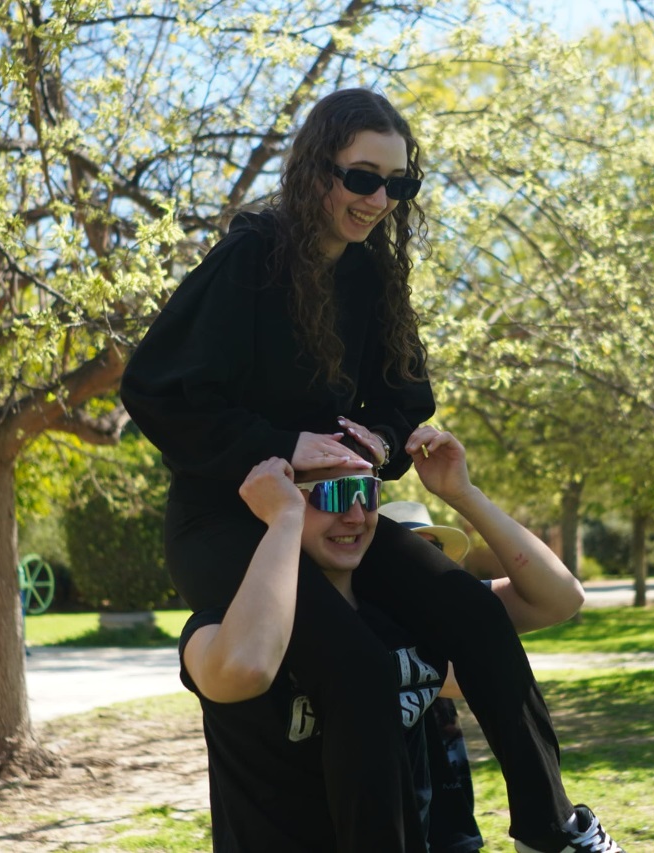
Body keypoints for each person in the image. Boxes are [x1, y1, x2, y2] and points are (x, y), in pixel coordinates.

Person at [122, 87, 620, 852]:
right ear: (315, 170)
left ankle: (552, 830)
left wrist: (382, 441)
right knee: (356, 664)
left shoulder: (372, 277)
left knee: (475, 614)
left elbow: (404, 399)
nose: (379, 200)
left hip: (334, 509)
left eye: (399, 184)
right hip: (226, 521)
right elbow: (155, 389)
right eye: (362, 178)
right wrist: (284, 443)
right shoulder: (250, 258)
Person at [181, 427, 613, 851]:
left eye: (366, 493)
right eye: (332, 495)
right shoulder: (222, 626)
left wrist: (463, 494)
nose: (355, 516)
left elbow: (558, 599)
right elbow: (244, 669)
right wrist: (282, 522)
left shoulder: (412, 612)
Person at [378, 500, 480, 853]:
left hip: (444, 778)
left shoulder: (436, 611)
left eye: (431, 549)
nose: (420, 560)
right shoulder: (367, 615)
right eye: (405, 548)